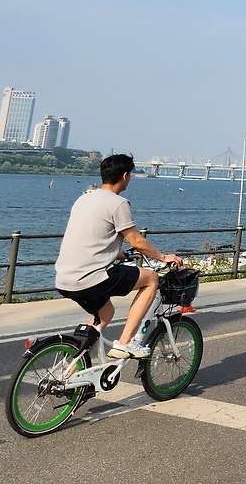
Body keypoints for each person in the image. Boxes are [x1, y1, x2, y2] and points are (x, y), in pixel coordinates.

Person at [54, 153, 182, 359]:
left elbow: (91, 234)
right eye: (129, 175)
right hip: (90, 279)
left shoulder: (83, 199)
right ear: (125, 176)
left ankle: (71, 369)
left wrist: (115, 252)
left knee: (105, 314)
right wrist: (163, 257)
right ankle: (124, 343)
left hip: (64, 278)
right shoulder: (118, 203)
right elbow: (136, 241)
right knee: (151, 278)